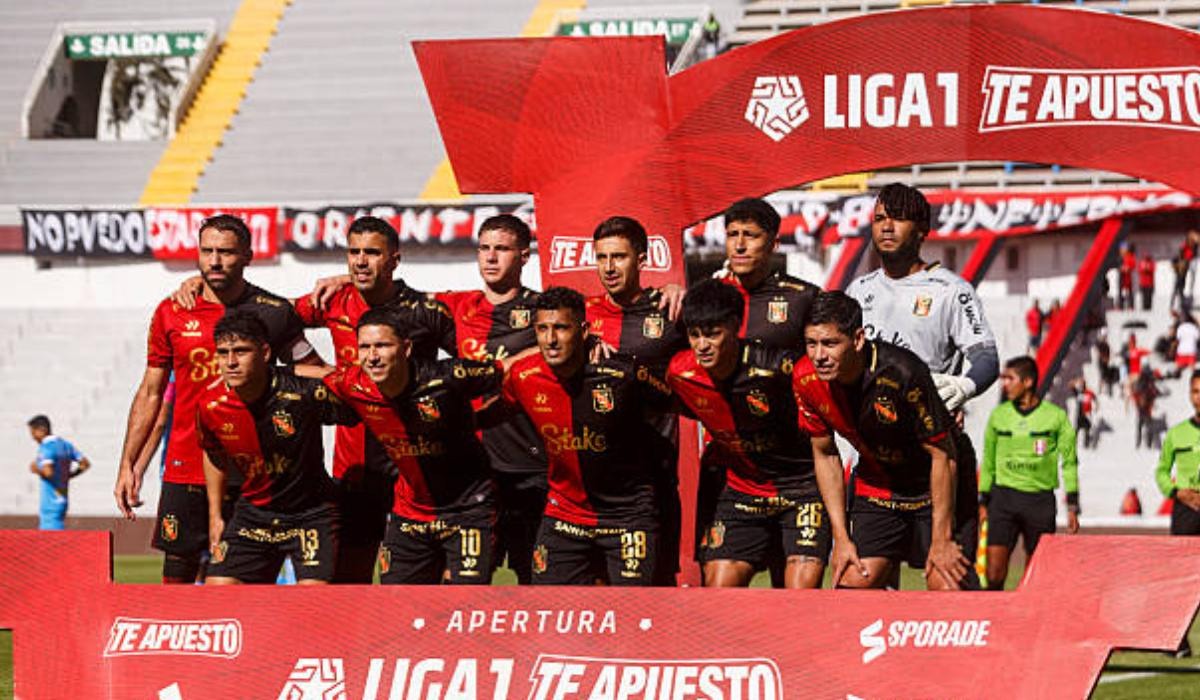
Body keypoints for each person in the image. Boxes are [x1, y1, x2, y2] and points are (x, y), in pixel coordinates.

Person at [115, 214, 321, 584]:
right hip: (186, 465)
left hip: (252, 472)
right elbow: (150, 392)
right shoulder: (172, 311)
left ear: (247, 256)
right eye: (207, 251)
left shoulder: (273, 312)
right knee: (175, 582)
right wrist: (128, 464)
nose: (214, 261)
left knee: (244, 585)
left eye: (225, 252)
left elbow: (314, 372)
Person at [845, 182, 998, 590]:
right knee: (856, 586)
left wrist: (964, 386)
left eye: (898, 218)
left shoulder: (951, 291)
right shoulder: (859, 291)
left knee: (947, 586)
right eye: (880, 218)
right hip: (879, 465)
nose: (886, 226)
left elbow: (987, 357)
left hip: (936, 459)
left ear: (922, 230)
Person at [794, 291, 971, 590]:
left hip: (935, 483)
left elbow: (943, 455)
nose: (819, 355)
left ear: (858, 339)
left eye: (830, 343)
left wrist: (941, 540)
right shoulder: (804, 378)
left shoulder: (903, 372)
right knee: (852, 583)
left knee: (947, 584)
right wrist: (841, 538)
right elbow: (825, 455)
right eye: (811, 343)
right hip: (878, 485)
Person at [325, 309, 516, 585]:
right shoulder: (352, 384)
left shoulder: (449, 376)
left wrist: (485, 417)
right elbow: (305, 381)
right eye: (364, 347)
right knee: (397, 603)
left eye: (382, 345)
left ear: (406, 348)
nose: (372, 356)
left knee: (462, 602)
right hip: (410, 512)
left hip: (469, 510)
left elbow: (509, 369)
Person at [665, 280, 833, 588]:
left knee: (800, 596)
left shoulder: (780, 368)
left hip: (801, 489)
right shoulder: (680, 373)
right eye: (695, 335)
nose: (702, 345)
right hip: (742, 492)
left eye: (713, 334)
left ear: (734, 326)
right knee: (719, 590)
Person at [502, 287, 672, 586]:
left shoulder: (623, 373)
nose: (551, 340)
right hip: (564, 514)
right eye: (542, 329)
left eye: (561, 328)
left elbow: (679, 401)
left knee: (631, 611)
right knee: (550, 609)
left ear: (583, 331)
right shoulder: (522, 376)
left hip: (627, 515)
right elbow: (483, 414)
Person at [197, 312, 359, 585]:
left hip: (311, 514)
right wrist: (215, 515)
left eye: (241, 351)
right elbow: (214, 456)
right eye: (223, 353)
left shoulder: (303, 391)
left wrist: (320, 372)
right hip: (253, 515)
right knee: (217, 593)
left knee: (315, 600)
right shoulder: (210, 405)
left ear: (265, 353)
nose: (231, 362)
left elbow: (361, 399)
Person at [431, 214, 546, 585]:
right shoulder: (456, 306)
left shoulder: (546, 311)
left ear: (524, 256)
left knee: (536, 580)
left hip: (529, 466)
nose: (491, 257)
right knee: (460, 582)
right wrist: (343, 280)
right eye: (484, 248)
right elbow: (393, 299)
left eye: (501, 249)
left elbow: (589, 330)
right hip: (472, 471)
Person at [587, 216, 689, 585]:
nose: (609, 267)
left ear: (641, 259)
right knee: (594, 591)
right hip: (595, 479)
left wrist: (686, 293)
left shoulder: (670, 309)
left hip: (654, 475)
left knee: (654, 590)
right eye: (602, 258)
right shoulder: (579, 316)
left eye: (619, 257)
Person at [979, 356, 1080, 591]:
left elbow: (1070, 462)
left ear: (1027, 382)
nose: (1004, 384)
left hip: (1039, 501)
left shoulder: (1056, 417)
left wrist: (1073, 504)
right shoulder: (998, 415)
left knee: (1035, 575)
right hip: (1003, 498)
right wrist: (983, 499)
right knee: (993, 573)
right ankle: (995, 612)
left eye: (1009, 378)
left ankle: (1025, 613)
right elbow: (988, 459)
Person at [27, 415, 89, 530]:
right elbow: (85, 464)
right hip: (62, 500)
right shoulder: (65, 445)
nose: (33, 437)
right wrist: (69, 475)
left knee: (50, 538)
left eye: (33, 432)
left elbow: (48, 472)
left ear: (42, 430)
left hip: (50, 501)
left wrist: (36, 470)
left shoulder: (46, 447)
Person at [1157, 372, 1200, 536]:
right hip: (1185, 509)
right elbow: (1161, 471)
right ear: (1190, 395)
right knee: (1182, 553)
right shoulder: (1176, 433)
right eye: (1195, 391)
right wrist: (1176, 493)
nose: (1199, 397)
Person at [1132, 366, 1161, 449]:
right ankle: (1147, 443)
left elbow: (1135, 392)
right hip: (1146, 406)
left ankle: (1139, 443)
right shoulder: (1148, 382)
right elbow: (1154, 391)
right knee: (1147, 424)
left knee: (1141, 424)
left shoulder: (1141, 381)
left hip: (1142, 406)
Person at [1070, 377, 1099, 449]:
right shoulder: (1078, 393)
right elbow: (1071, 385)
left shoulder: (1089, 392)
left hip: (1087, 414)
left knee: (1087, 429)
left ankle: (1087, 444)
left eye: (1082, 384)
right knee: (1077, 429)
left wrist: (1096, 406)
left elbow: (1095, 398)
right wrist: (1075, 381)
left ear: (1084, 384)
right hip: (1079, 414)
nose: (1081, 385)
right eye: (1080, 384)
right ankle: (1073, 443)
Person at [1118, 244, 1136, 311]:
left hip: (1128, 276)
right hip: (1122, 276)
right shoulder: (1122, 256)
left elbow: (1133, 265)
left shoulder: (1131, 256)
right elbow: (1119, 264)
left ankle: (1131, 306)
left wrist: (1128, 268)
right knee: (1121, 291)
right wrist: (1121, 268)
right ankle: (1121, 306)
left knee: (1130, 292)